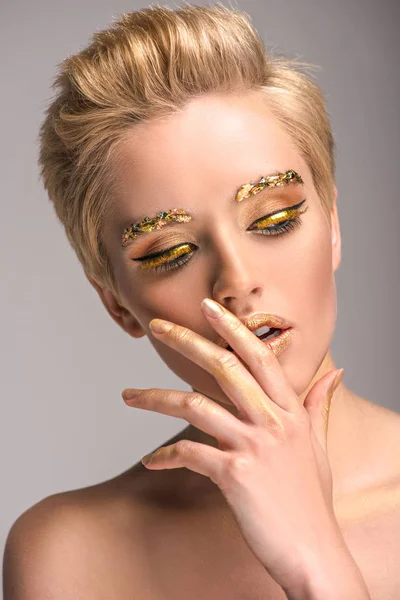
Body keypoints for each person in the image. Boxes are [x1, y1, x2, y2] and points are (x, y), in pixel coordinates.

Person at [3, 4, 400, 599]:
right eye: (171, 253)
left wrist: (318, 559)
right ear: (116, 302)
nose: (237, 282)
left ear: (333, 224)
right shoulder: (69, 557)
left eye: (274, 218)